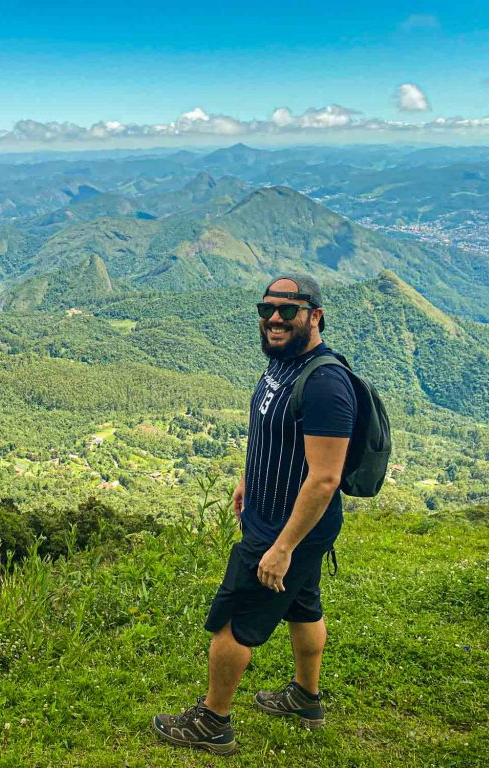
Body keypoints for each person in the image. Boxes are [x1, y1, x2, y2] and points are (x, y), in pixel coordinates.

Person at [152, 274, 356, 754]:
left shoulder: (326, 383)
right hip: (273, 517)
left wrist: (283, 547)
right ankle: (306, 698)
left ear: (316, 316)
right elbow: (273, 435)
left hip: (285, 531)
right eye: (267, 310)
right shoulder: (283, 367)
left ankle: (212, 722)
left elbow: (326, 477)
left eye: (289, 310)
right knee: (303, 605)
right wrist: (250, 477)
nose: (275, 320)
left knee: (233, 621)